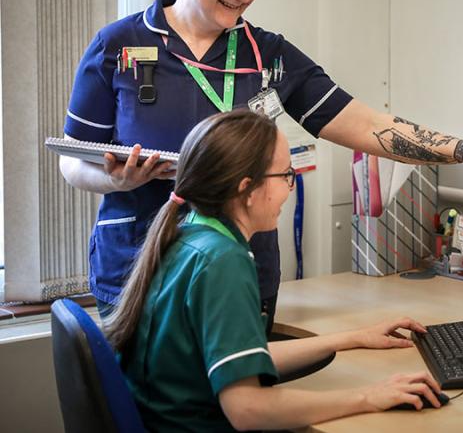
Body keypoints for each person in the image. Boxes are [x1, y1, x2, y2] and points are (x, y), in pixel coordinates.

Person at [60, 0, 463, 326]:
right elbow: (71, 161)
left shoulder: (267, 54)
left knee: (239, 403)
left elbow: (365, 123)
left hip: (241, 266)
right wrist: (118, 181)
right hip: (141, 264)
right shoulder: (118, 46)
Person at [103, 109, 444, 432]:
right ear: (246, 188)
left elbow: (240, 356)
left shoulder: (191, 233)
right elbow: (247, 409)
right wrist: (369, 396)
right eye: (285, 176)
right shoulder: (223, 260)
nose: (288, 188)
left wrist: (353, 338)